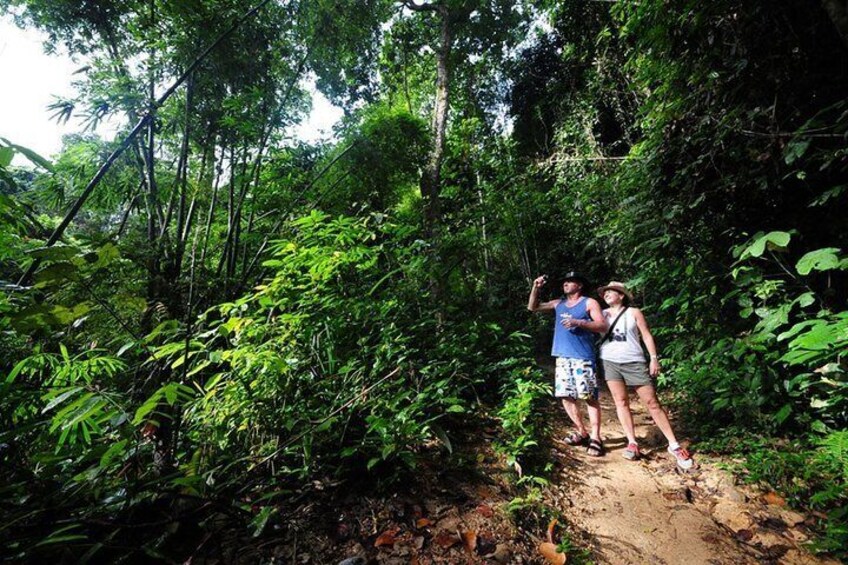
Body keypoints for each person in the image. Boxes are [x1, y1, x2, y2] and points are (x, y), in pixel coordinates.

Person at [596, 281, 694, 470]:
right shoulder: (601, 314)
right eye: (605, 292)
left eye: (611, 292)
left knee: (652, 403)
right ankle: (632, 442)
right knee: (621, 402)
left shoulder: (634, 312)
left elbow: (647, 335)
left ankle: (673, 445)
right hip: (610, 361)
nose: (606, 294)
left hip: (634, 361)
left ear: (621, 295)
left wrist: (653, 358)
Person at [528, 272, 608, 456]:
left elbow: (602, 326)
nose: (566, 283)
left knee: (589, 396)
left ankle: (596, 437)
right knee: (566, 396)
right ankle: (582, 431)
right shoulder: (559, 303)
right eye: (565, 281)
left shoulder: (589, 303)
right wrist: (535, 288)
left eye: (570, 281)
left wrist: (578, 322)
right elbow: (532, 307)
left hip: (582, 356)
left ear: (579, 285)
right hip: (562, 357)